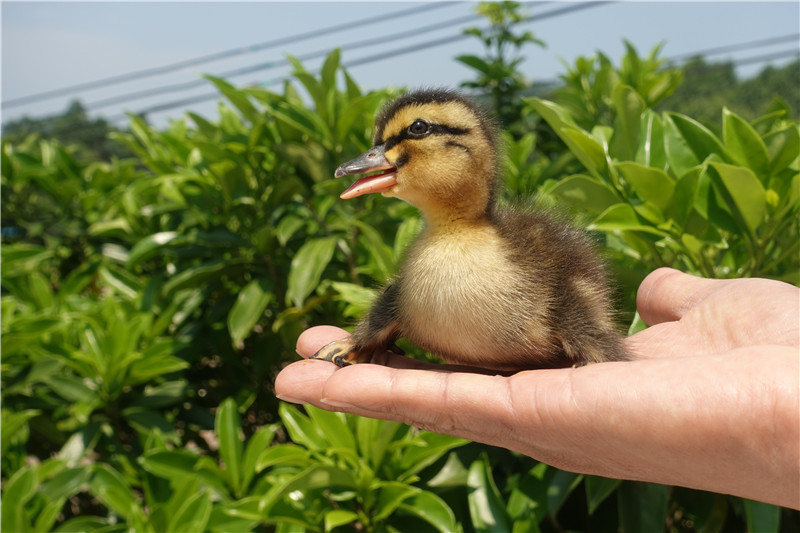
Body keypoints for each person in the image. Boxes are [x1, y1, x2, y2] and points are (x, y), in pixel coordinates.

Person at [275, 267, 800, 510]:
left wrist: (605, 363)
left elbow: (568, 299)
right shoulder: (416, 285)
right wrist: (368, 341)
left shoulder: (542, 280)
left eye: (411, 137)